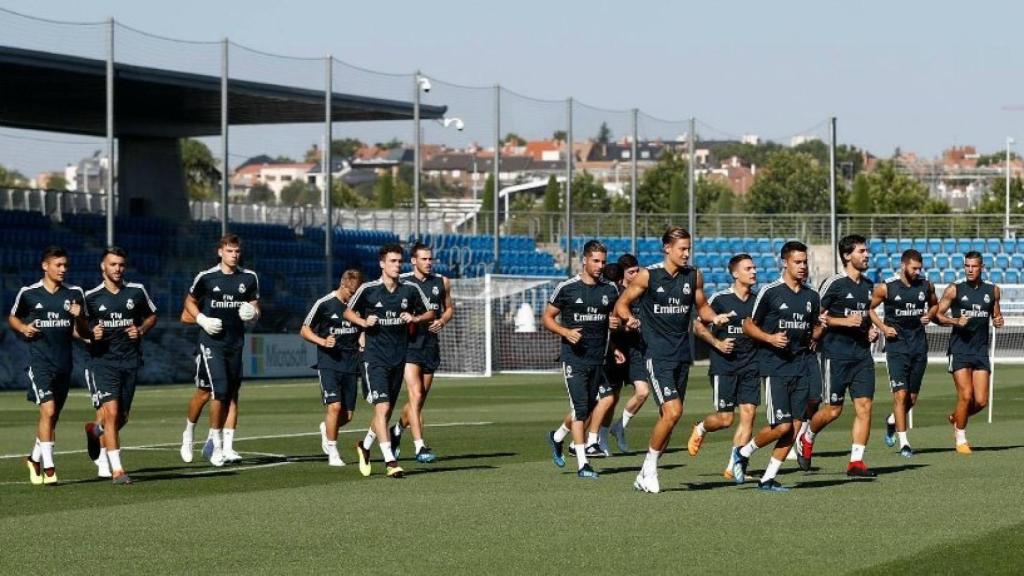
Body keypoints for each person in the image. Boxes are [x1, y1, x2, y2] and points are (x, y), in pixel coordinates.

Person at [614, 227, 726, 494]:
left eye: (689, 248)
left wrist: (715, 318)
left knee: (670, 418)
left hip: (681, 356)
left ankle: (644, 473)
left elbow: (703, 307)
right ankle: (650, 469)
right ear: (667, 248)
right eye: (682, 249)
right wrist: (628, 318)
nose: (687, 253)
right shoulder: (648, 276)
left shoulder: (694, 276)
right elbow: (622, 303)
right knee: (674, 411)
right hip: (657, 355)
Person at [732, 241, 824, 492]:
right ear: (785, 263)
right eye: (798, 262)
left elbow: (813, 328)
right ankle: (744, 452)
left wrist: (819, 330)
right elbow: (748, 325)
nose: (803, 267)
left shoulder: (811, 296)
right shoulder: (770, 292)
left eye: (805, 262)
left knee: (794, 427)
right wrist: (771, 338)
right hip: (775, 366)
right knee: (781, 426)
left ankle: (768, 478)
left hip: (802, 364)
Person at [345, 244, 435, 479]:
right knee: (382, 408)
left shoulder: (410, 290)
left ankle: (365, 446)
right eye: (393, 261)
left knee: (385, 412)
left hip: (399, 358)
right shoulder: (368, 290)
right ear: (382, 264)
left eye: (399, 261)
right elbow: (348, 312)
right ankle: (390, 461)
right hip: (374, 359)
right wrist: (363, 323)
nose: (397, 265)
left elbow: (431, 313)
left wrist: (414, 317)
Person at [799, 234, 880, 477]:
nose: (866, 255)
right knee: (834, 410)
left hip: (862, 356)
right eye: (861, 251)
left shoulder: (868, 286)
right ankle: (807, 435)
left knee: (865, 407)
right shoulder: (833, 283)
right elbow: (817, 317)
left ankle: (856, 462)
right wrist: (844, 321)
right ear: (847, 256)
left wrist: (870, 331)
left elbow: (864, 318)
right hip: (835, 354)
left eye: (867, 251)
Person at [178, 234, 260, 467]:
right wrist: (202, 319)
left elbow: (255, 308)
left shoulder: (249, 277)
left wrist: (253, 314)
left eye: (237, 251)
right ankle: (206, 440)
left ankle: (208, 440)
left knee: (218, 393)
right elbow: (189, 302)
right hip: (210, 342)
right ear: (220, 252)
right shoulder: (206, 277)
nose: (234, 255)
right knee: (220, 391)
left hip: (235, 343)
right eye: (229, 251)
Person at [544, 240, 620, 478]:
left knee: (595, 403)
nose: (600, 266)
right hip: (574, 359)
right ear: (584, 260)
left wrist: (615, 335)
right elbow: (546, 318)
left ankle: (557, 437)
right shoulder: (567, 288)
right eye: (595, 261)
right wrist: (565, 332)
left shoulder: (610, 289)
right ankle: (582, 464)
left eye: (603, 262)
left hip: (599, 358)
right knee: (580, 411)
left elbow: (613, 318)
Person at [82, 247, 158, 484]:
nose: (117, 269)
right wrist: (90, 333)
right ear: (103, 267)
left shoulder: (136, 291)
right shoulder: (91, 297)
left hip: (130, 361)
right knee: (112, 413)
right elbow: (78, 328)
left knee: (122, 417)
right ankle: (118, 470)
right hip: (103, 362)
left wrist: (141, 330)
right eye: (113, 264)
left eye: (121, 265)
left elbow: (152, 315)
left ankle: (96, 431)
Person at [10, 246, 85, 485]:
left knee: (52, 417)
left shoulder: (74, 293)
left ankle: (34, 459)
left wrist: (81, 317)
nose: (63, 269)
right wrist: (23, 328)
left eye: (65, 265)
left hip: (65, 363)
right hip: (40, 362)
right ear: (45, 266)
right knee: (49, 411)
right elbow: (13, 317)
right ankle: (50, 469)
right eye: (58, 265)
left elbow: (80, 330)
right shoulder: (29, 293)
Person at [686, 254, 760, 479]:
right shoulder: (720, 300)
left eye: (755, 268)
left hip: (751, 364)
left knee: (749, 414)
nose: (754, 272)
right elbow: (698, 328)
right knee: (725, 419)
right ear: (735, 273)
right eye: (748, 268)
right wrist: (717, 343)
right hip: (725, 366)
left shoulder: (759, 301)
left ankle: (734, 466)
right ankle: (701, 428)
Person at [868, 249, 937, 457]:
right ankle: (904, 443)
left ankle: (891, 421)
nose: (917, 272)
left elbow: (935, 305)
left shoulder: (926, 285)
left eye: (919, 268)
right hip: (896, 348)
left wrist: (929, 315)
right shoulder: (886, 288)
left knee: (912, 399)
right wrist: (882, 327)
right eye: (914, 268)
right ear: (904, 265)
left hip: (919, 347)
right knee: (900, 395)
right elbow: (868, 309)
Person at [391, 243, 454, 463]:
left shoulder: (442, 281)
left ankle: (397, 430)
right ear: (414, 261)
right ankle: (420, 446)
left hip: (430, 344)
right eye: (424, 259)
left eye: (430, 259)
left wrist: (443, 320)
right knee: (415, 395)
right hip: (408, 344)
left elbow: (449, 308)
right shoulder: (403, 281)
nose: (428, 262)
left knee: (419, 400)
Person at [935, 251, 1003, 453]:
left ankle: (956, 417)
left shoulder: (993, 291)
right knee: (966, 395)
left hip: (980, 350)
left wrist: (999, 321)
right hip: (960, 349)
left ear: (982, 267)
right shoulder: (954, 290)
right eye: (967, 266)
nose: (970, 270)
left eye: (974, 266)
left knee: (981, 401)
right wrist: (954, 321)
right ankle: (961, 439)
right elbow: (936, 315)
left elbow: (997, 316)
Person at [301, 269, 364, 467]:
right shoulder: (324, 303)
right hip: (329, 362)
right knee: (335, 407)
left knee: (348, 415)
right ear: (343, 285)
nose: (353, 297)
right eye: (351, 293)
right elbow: (304, 330)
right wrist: (322, 341)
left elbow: (362, 328)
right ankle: (333, 451)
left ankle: (326, 427)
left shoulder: (358, 305)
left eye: (356, 293)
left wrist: (363, 338)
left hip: (352, 363)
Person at [608, 254, 651, 454]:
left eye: (637, 270)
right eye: (631, 272)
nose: (635, 274)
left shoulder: (643, 291)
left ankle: (620, 427)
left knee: (643, 391)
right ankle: (598, 439)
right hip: (618, 348)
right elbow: (611, 322)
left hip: (636, 349)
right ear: (623, 275)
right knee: (611, 397)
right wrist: (624, 327)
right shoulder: (616, 292)